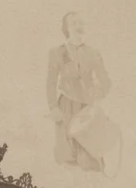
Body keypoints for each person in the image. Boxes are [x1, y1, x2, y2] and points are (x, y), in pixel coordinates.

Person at [46, 12, 120, 174]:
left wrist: (98, 93)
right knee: (66, 156)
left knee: (91, 158)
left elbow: (105, 82)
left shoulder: (93, 53)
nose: (77, 26)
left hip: (87, 110)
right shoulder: (58, 53)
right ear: (66, 28)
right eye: (73, 23)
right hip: (65, 107)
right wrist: (53, 108)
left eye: (80, 22)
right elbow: (51, 83)